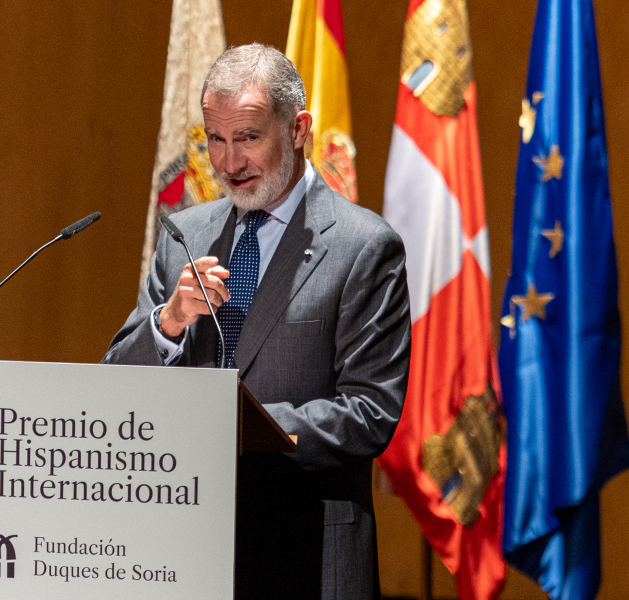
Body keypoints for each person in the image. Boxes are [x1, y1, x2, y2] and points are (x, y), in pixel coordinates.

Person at [103, 43, 411, 600]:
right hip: (188, 554)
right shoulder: (185, 236)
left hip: (305, 550)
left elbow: (370, 412)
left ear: (297, 129)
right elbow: (118, 378)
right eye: (215, 139)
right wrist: (168, 321)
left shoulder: (364, 247)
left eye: (247, 137)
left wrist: (241, 428)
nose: (226, 163)